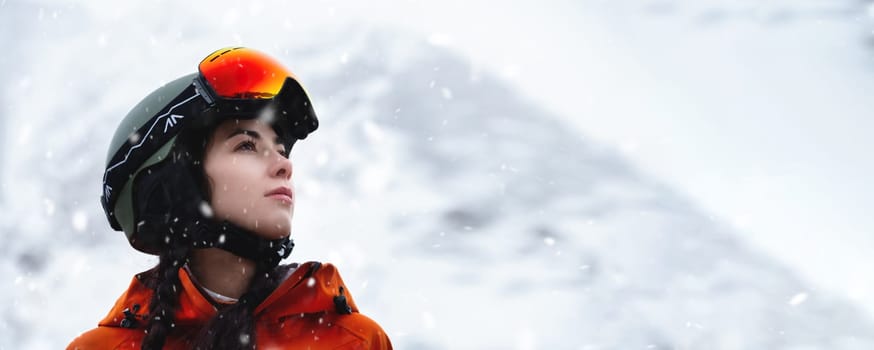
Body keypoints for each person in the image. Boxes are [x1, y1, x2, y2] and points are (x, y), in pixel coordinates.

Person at [67, 47, 392, 350]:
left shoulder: (354, 341)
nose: (284, 164)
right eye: (247, 146)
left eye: (281, 149)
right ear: (181, 185)